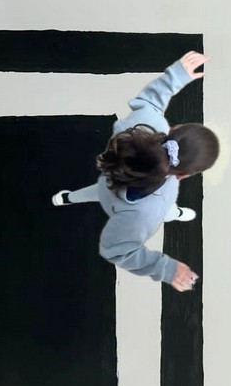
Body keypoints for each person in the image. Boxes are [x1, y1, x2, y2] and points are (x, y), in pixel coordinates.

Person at [52, 51, 219, 293]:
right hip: (137, 207)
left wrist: (175, 76)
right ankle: (175, 213)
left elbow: (151, 101)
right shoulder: (147, 214)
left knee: (93, 191)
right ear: (183, 175)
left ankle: (67, 197)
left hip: (108, 184)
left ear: (173, 128)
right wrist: (164, 268)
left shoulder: (145, 123)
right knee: (166, 210)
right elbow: (116, 250)